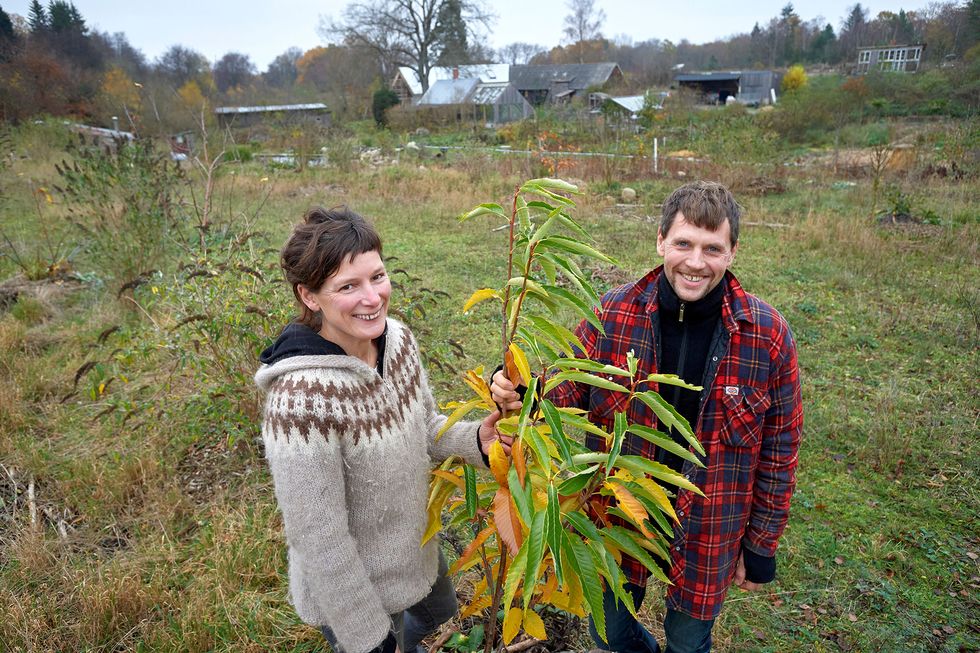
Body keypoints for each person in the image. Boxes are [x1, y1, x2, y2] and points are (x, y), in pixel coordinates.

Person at [491, 181, 803, 653]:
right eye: (683, 244)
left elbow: (781, 451)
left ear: (732, 252)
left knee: (687, 637)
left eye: (712, 249)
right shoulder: (614, 313)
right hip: (617, 512)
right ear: (660, 241)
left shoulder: (768, 335)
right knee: (607, 628)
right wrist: (519, 386)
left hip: (710, 521)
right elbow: (565, 385)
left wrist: (760, 545)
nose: (696, 262)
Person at [255, 206, 509, 653]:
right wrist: (366, 637)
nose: (372, 298)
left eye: (378, 276)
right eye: (348, 286)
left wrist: (475, 440)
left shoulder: (397, 341)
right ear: (310, 296)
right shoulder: (300, 401)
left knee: (446, 627)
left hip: (417, 552)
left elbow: (421, 426)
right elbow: (318, 536)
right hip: (354, 592)